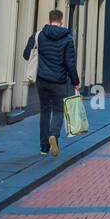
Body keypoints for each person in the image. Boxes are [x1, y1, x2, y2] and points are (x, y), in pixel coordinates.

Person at [23, 9, 80, 156]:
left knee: (44, 111)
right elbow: (70, 63)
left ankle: (43, 148)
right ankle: (54, 134)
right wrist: (76, 81)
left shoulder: (39, 35)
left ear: (49, 20)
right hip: (59, 81)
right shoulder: (67, 38)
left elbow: (26, 54)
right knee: (59, 110)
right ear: (61, 20)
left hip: (42, 80)